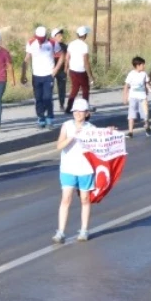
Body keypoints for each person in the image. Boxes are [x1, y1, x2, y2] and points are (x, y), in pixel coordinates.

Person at [53, 98, 97, 244]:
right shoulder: (66, 126)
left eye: (81, 111)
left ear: (87, 113)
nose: (78, 113)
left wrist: (110, 132)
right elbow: (59, 146)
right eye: (76, 111)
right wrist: (73, 136)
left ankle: (84, 229)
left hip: (85, 168)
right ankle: (60, 232)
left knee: (85, 199)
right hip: (68, 167)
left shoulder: (91, 128)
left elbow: (101, 144)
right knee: (66, 199)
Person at [21, 25, 57, 128]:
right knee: (38, 98)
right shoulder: (31, 43)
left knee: (48, 97)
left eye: (42, 39)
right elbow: (27, 58)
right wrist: (23, 75)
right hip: (36, 75)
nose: (40, 41)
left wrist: (55, 70)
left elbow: (62, 56)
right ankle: (41, 117)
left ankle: (50, 117)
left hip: (48, 75)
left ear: (46, 36)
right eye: (39, 39)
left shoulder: (52, 43)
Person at [66, 26, 94, 108]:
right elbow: (86, 62)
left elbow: (67, 57)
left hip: (72, 69)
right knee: (85, 89)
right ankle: (85, 106)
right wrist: (90, 76)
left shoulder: (71, 44)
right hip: (81, 70)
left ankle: (69, 106)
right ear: (85, 35)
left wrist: (66, 68)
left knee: (74, 88)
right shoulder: (84, 46)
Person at [123, 56, 151, 137]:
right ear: (138, 65)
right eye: (142, 65)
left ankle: (147, 127)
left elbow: (146, 83)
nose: (144, 66)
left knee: (145, 114)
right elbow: (126, 86)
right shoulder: (131, 74)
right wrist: (125, 97)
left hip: (143, 98)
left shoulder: (144, 74)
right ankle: (130, 131)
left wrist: (148, 89)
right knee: (131, 114)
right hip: (133, 97)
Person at [51, 28, 69, 113]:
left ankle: (62, 105)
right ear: (53, 37)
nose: (61, 37)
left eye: (61, 35)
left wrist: (66, 69)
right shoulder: (49, 45)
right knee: (49, 89)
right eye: (58, 36)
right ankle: (48, 105)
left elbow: (67, 58)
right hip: (51, 70)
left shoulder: (64, 46)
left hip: (61, 71)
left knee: (62, 88)